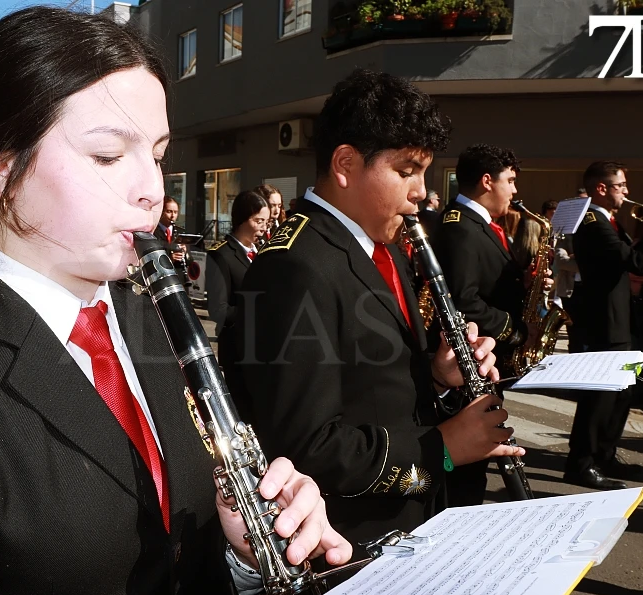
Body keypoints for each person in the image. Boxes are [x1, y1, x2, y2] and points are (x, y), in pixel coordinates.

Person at [0, 8, 351, 595]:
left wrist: (247, 557)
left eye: (157, 153)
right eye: (106, 156)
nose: (151, 188)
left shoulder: (147, 319)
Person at [222, 69, 523, 544]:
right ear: (344, 164)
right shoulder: (294, 267)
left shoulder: (381, 249)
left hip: (408, 521)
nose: (421, 192)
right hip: (354, 541)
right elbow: (304, 446)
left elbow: (371, 382)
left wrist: (438, 376)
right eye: (406, 172)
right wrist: (443, 448)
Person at [430, 144, 530, 507]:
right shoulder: (460, 227)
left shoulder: (481, 226)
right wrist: (513, 329)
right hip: (464, 370)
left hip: (483, 363)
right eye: (511, 181)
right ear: (487, 181)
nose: (515, 191)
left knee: (475, 466)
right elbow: (462, 301)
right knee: (464, 475)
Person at [563, 161, 643, 491]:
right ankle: (581, 463)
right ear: (602, 188)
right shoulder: (594, 222)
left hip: (619, 321)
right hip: (605, 325)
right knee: (598, 399)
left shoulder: (606, 220)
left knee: (621, 394)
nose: (626, 192)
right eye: (621, 185)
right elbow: (635, 260)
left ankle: (604, 454)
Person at [205, 189, 268, 336]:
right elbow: (218, 310)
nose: (264, 229)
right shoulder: (220, 255)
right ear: (241, 219)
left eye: (266, 222)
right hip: (238, 342)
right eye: (259, 221)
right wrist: (262, 310)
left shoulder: (262, 251)